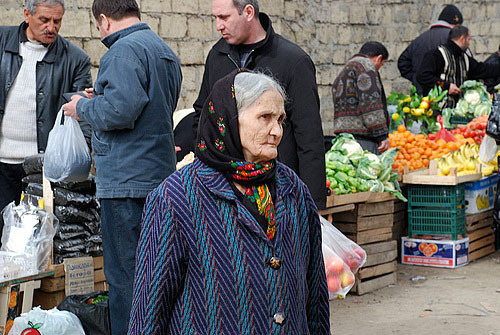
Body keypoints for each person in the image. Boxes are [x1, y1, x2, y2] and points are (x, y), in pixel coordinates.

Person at [128, 70, 330, 334]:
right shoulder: (176, 198)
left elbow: (315, 296)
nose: (276, 131)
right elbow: (150, 306)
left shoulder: (294, 190)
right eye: (265, 117)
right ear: (229, 119)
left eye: (280, 119)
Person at [62, 0, 182, 333]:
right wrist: (98, 97)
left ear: (104, 20)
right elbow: (147, 106)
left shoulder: (121, 52)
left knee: (125, 276)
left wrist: (83, 107)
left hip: (125, 182)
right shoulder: (163, 51)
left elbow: (119, 112)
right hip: (159, 178)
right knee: (157, 272)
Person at [193, 0, 327, 209]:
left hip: (277, 190)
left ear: (248, 12)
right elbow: (202, 115)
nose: (218, 25)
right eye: (216, 18)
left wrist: (313, 205)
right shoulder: (217, 56)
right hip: (223, 188)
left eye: (224, 17)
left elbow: (309, 138)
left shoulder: (293, 60)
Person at [0, 0, 92, 233]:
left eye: (57, 21)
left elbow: (83, 116)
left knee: (37, 240)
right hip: (2, 166)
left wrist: (79, 161)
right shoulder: (2, 42)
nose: (51, 27)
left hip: (43, 169)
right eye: (44, 20)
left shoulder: (75, 59)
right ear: (27, 15)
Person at [417, 26, 500, 108]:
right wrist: (446, 86)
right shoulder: (436, 54)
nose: (469, 43)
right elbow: (423, 76)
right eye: (468, 39)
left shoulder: (464, 58)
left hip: (456, 112)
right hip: (436, 110)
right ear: (462, 38)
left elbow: (483, 70)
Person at [332, 41, 390, 155]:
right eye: (382, 64)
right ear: (379, 58)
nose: (379, 68)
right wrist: (381, 135)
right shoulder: (366, 67)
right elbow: (370, 103)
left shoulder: (346, 69)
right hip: (363, 140)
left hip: (344, 138)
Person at [398, 4, 463, 94]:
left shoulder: (421, 39)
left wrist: (416, 79)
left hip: (423, 97)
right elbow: (466, 64)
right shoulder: (456, 39)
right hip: (447, 94)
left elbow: (402, 62)